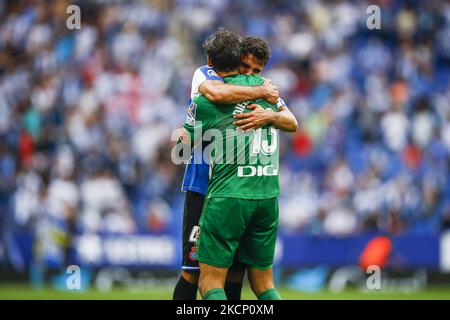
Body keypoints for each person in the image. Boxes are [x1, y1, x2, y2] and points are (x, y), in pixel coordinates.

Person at [173, 32, 297, 300]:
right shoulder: (205, 76)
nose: (250, 73)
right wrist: (262, 92)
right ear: (236, 59)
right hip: (203, 185)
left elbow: (291, 122)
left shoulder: (263, 92)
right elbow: (216, 93)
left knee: (234, 273)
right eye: (246, 67)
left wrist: (269, 115)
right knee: (193, 271)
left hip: (234, 188)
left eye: (256, 70)